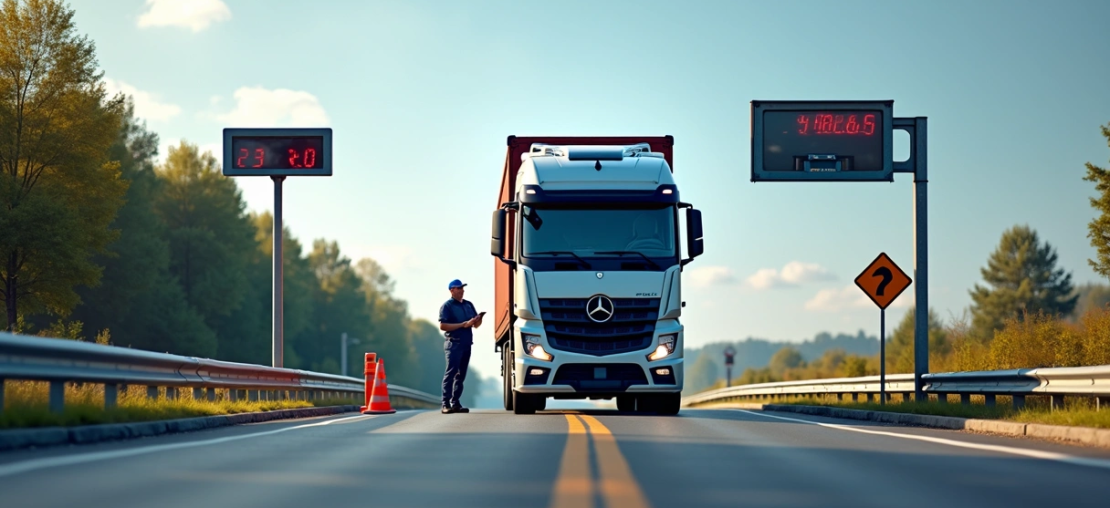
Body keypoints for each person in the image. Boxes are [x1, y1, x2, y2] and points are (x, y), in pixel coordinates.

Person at [439, 279, 482, 414]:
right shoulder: (447, 306)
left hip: (466, 344)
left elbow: (476, 326)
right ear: (451, 290)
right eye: (459, 288)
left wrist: (478, 320)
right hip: (453, 343)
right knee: (451, 373)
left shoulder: (469, 305)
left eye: (462, 288)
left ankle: (455, 403)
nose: (462, 290)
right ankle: (445, 404)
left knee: (461, 375)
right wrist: (463, 324)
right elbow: (443, 326)